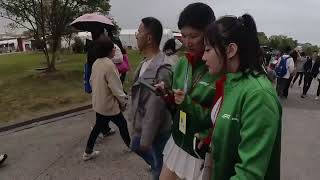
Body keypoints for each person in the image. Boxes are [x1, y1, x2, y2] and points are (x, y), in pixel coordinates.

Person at [201, 14, 282, 180]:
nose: (203, 57)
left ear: (231, 50)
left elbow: (249, 174)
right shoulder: (230, 83)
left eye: (208, 49)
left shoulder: (258, 95)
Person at [159, 3, 218, 180]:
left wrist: (209, 136)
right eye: (184, 36)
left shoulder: (218, 68)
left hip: (199, 149)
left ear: (210, 33)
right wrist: (168, 95)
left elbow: (219, 115)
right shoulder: (183, 62)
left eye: (194, 36)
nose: (188, 42)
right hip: (178, 139)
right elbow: (178, 98)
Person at [130, 17, 173, 180]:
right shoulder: (145, 63)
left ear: (149, 38)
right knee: (136, 147)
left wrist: (146, 139)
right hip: (143, 127)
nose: (136, 35)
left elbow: (156, 108)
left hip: (157, 132)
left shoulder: (162, 68)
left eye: (139, 32)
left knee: (159, 170)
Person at [83, 36, 131, 161]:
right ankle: (131, 146)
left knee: (98, 126)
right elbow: (116, 88)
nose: (115, 50)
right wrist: (124, 101)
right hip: (109, 105)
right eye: (113, 48)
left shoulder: (96, 62)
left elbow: (91, 81)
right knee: (122, 124)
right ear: (108, 50)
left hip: (99, 103)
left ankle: (88, 151)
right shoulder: (109, 65)